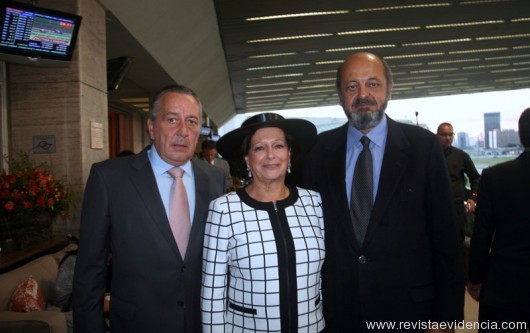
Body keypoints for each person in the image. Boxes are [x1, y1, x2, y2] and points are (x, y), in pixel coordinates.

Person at [301, 52, 464, 332]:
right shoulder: (317, 152)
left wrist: (447, 316)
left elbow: (446, 235)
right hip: (337, 313)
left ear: (389, 89)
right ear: (340, 95)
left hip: (409, 311)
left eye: (373, 84)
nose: (362, 94)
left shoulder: (423, 147)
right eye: (352, 86)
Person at [72, 84, 225, 333]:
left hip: (202, 324)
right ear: (151, 126)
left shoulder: (214, 178)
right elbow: (89, 270)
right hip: (137, 324)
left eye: (192, 122)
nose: (183, 132)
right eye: (172, 119)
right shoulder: (110, 178)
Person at [201, 113, 325, 332]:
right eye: (259, 148)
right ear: (248, 159)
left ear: (289, 153)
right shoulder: (224, 209)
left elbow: (323, 277)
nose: (270, 155)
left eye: (278, 145)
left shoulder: (314, 202)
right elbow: (212, 292)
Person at [467, 108, 530, 332]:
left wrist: (474, 278)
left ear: (521, 136)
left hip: (505, 286)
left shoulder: (495, 177)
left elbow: (482, 233)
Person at [437, 122, 480, 238]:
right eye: (444, 135)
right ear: (437, 136)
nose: (448, 138)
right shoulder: (430, 155)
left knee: (457, 242)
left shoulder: (461, 156)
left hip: (457, 209)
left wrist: (473, 197)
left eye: (451, 135)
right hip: (436, 209)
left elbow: (476, 177)